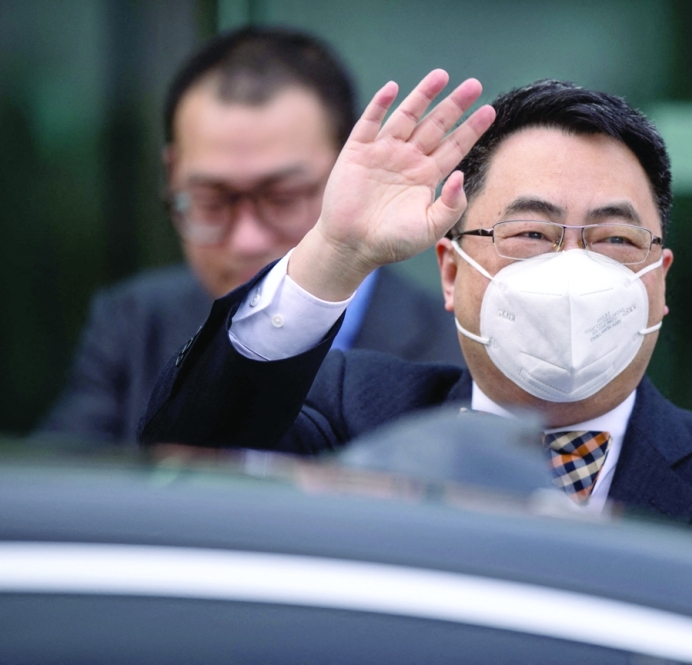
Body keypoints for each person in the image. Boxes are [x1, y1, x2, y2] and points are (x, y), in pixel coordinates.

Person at [139, 70, 692, 558]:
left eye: (613, 239)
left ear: (658, 284)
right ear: (451, 271)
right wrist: (335, 251)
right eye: (531, 233)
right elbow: (187, 461)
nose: (572, 267)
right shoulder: (350, 418)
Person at [37, 29, 463, 444]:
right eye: (211, 200)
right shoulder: (135, 323)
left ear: (351, 172)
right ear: (171, 176)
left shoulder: (458, 351)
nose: (246, 240)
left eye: (282, 198)